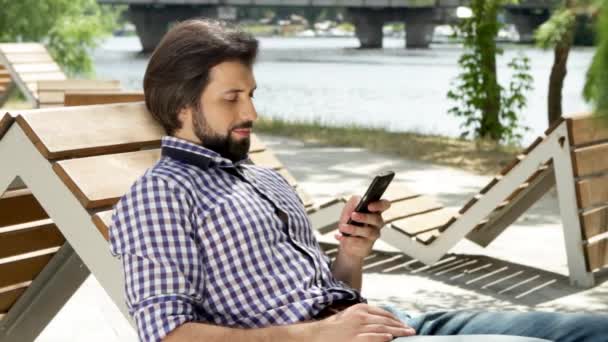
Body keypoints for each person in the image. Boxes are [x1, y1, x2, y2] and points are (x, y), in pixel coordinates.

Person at [109, 19, 608, 342]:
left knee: (590, 330)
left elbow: (331, 296)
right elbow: (166, 332)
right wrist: (317, 335)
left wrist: (350, 256)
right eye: (231, 97)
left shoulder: (261, 178)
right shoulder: (161, 194)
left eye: (253, 94)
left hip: (386, 320)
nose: (253, 111)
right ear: (180, 103)